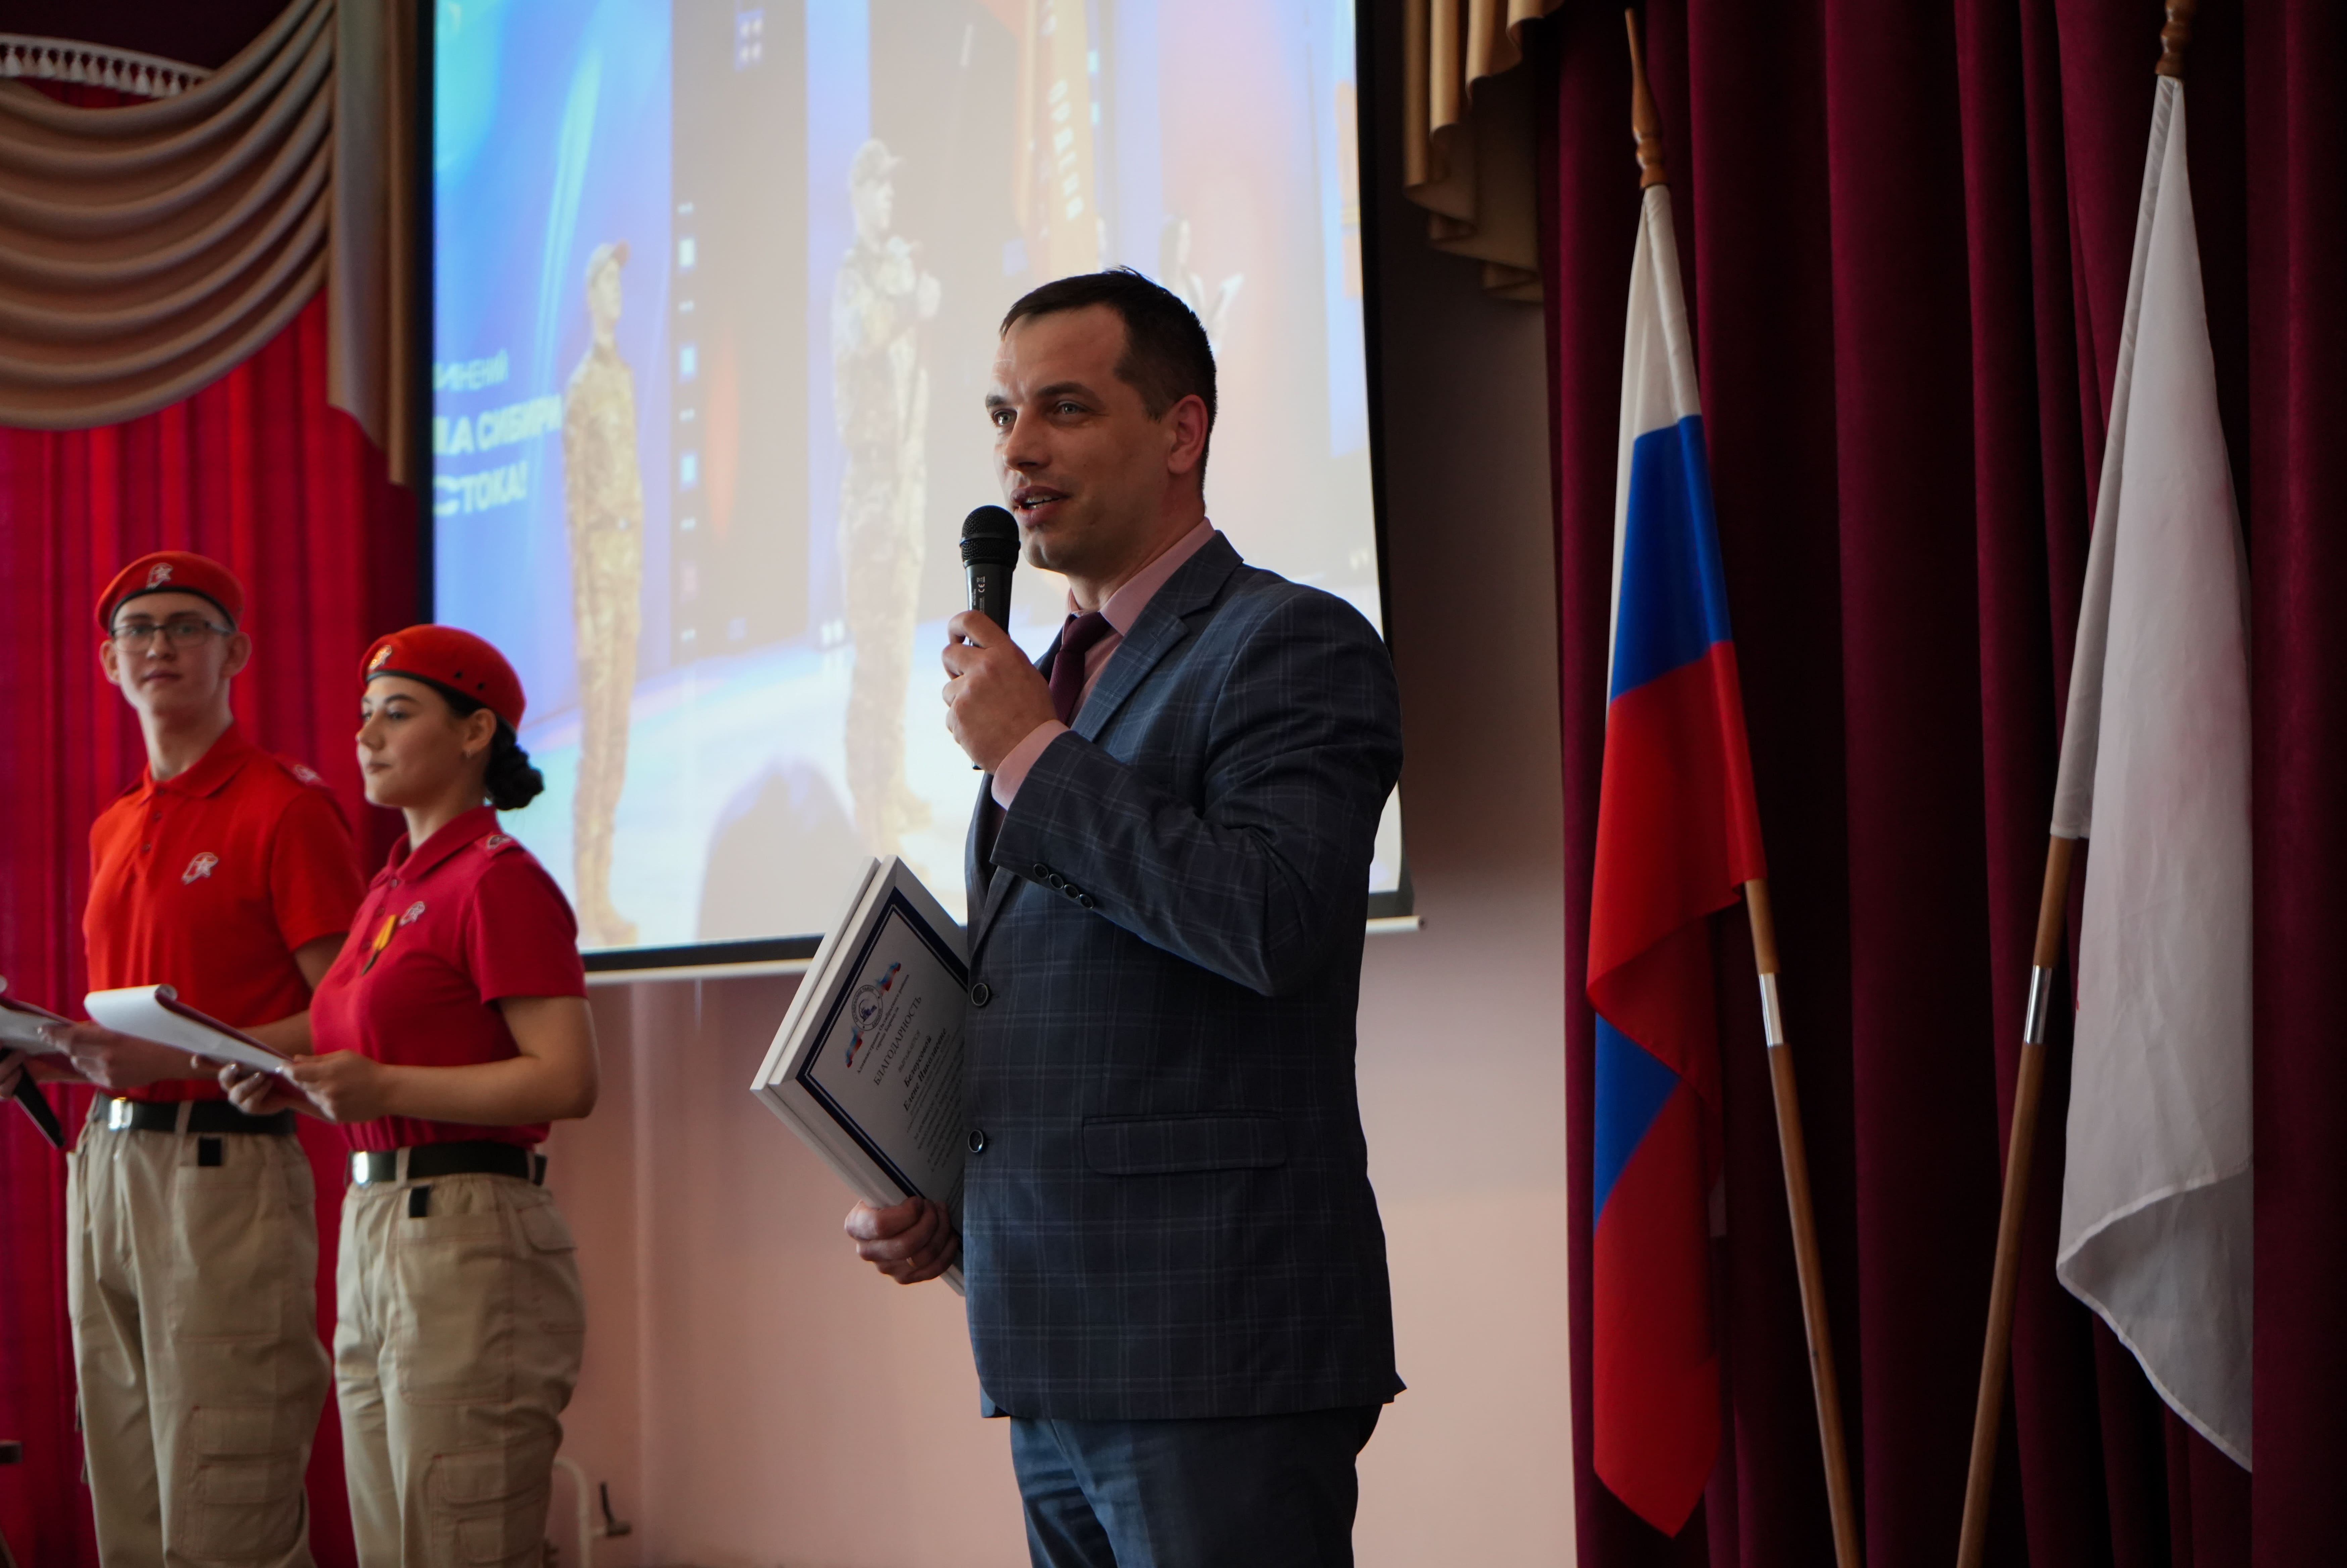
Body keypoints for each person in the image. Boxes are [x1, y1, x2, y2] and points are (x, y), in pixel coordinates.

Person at [845, 270, 1406, 1566]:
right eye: (1001, 415)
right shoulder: (1059, 678)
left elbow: (1268, 919)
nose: (1016, 452)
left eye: (1063, 408)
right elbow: (1080, 1002)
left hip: (1213, 1339)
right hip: (1049, 1338)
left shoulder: (1288, 642)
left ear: (1179, 431)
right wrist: (944, 1192)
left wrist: (1031, 756)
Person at [223, 625, 598, 1566]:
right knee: (392, 1543)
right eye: (365, 715)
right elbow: (363, 1060)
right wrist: (296, 1088)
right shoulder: (389, 888)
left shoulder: (498, 882)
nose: (366, 735)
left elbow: (566, 1078)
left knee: (460, 1538)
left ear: (475, 733)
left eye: (397, 713)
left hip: (470, 1232)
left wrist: (381, 1084)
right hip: (375, 1222)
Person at [21, 551, 364, 1567]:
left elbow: (348, 1014)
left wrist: (164, 1062)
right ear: (107, 662)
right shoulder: (115, 821)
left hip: (224, 1167)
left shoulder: (284, 805)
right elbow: (133, 1039)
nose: (158, 646)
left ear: (235, 653)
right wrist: (55, 1056)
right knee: (126, 1483)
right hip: (106, 1162)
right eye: (138, 629)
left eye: (186, 626)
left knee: (226, 1490)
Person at [833, 136, 942, 857]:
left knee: (900, 649)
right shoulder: (855, 279)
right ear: (856, 195)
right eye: (877, 187)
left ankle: (894, 781)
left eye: (892, 188)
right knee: (873, 657)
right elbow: (865, 334)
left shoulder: (895, 272)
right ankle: (868, 802)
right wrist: (909, 301)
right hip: (872, 493)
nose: (888, 199)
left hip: (905, 490)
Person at [562, 238, 645, 947]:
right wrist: (586, 614)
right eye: (607, 287)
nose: (616, 298)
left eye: (621, 287)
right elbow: (575, 507)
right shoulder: (584, 387)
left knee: (618, 740)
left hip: (629, 572)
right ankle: (586, 899)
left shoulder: (623, 376)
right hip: (599, 577)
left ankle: (606, 890)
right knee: (596, 745)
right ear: (590, 298)